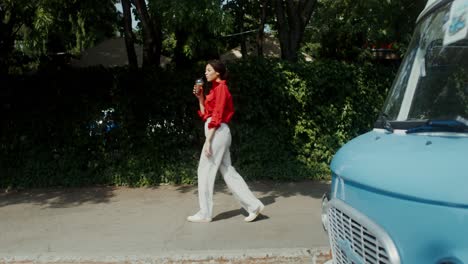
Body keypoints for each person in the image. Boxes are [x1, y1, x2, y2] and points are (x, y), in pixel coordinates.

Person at [187, 60, 265, 223]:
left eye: (209, 70)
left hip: (217, 133)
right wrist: (200, 98)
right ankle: (254, 206)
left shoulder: (221, 88)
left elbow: (217, 116)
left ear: (218, 72)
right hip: (217, 132)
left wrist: (208, 141)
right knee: (228, 172)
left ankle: (204, 213)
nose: (206, 73)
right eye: (205, 70)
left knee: (204, 170)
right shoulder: (214, 89)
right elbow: (206, 115)